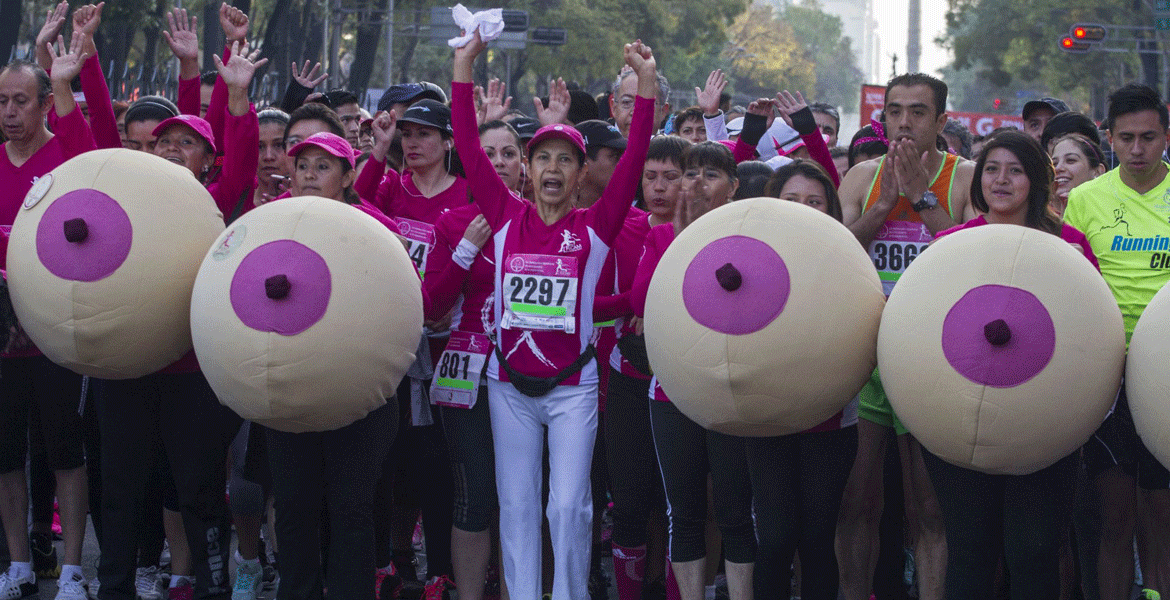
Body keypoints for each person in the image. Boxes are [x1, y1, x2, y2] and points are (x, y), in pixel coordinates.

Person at [453, 31, 655, 600]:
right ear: (528, 168)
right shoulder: (503, 213)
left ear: (580, 172)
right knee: (516, 506)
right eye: (542, 157)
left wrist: (645, 85)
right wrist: (463, 64)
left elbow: (636, 153)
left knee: (567, 505)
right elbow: (468, 146)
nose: (551, 169)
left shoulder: (596, 225)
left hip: (573, 386)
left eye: (565, 160)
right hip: (507, 386)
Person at [925, 131, 1097, 599]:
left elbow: (1095, 334)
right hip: (959, 422)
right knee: (971, 553)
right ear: (978, 180)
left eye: (1015, 170)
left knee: (1035, 551)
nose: (1002, 180)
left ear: (1035, 180)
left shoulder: (1071, 245)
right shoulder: (949, 244)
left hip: (1046, 423)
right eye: (992, 169)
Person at [836, 72, 976, 600]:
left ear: (941, 121)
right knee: (855, 502)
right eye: (895, 110)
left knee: (930, 508)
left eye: (918, 112)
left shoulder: (964, 178)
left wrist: (920, 198)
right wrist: (881, 207)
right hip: (865, 354)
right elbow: (834, 257)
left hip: (931, 359)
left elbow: (974, 256)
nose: (904, 122)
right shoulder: (861, 177)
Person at [261, 131, 399, 600]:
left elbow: (405, 303)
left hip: (359, 396)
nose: (310, 175)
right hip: (288, 390)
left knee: (351, 508)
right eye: (302, 166)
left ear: (348, 176)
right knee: (295, 508)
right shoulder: (268, 223)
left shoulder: (376, 227)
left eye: (323, 166)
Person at [629, 141, 756, 600]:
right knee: (683, 512)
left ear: (734, 187)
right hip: (673, 390)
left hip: (731, 390)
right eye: (691, 172)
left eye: (712, 173)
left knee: (735, 512)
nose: (697, 182)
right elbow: (640, 303)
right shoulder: (661, 235)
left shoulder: (750, 238)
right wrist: (682, 240)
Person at [1064, 83, 1170, 600]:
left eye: (1149, 137)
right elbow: (1066, 281)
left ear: (1166, 137)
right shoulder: (1083, 200)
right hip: (1107, 370)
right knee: (1113, 516)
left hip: (1166, 373)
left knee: (1160, 512)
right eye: (1126, 138)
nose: (1137, 149)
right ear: (1108, 138)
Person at [0, 33, 96, 600]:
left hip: (57, 332)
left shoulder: (65, 156)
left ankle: (74, 569)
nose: (9, 112)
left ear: (41, 105)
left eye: (20, 101)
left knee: (65, 452)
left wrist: (63, 77)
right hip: (1, 336)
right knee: (6, 456)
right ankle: (16, 564)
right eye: (1, 101)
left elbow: (91, 150)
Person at [746, 159, 853, 600]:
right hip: (766, 418)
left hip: (831, 421)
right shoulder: (747, 257)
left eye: (814, 201)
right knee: (772, 541)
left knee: (816, 540)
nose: (803, 209)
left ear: (830, 210)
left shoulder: (849, 262)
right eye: (791, 200)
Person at [604, 134, 691, 600]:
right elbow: (601, 302)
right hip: (627, 375)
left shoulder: (703, 232)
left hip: (682, 380)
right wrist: (626, 305)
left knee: (680, 505)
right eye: (650, 177)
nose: (658, 187)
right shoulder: (622, 225)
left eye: (671, 177)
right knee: (630, 502)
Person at [1050, 133, 1106, 218]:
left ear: (1097, 172)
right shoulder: (1036, 217)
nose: (1058, 168)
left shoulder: (1114, 212)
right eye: (1054, 163)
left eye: (1070, 160)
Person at [253, 109, 291, 207]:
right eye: (259, 146)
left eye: (278, 145)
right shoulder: (233, 198)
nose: (268, 156)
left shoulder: (310, 199)